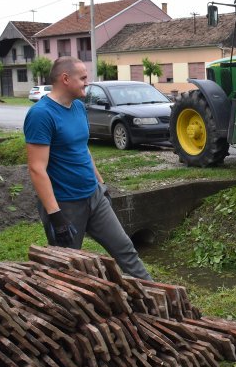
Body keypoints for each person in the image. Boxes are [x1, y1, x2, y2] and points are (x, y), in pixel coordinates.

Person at [24, 56, 152, 280]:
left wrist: (101, 184)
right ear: (65, 79)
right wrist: (56, 217)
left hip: (94, 196)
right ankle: (66, 312)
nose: (87, 82)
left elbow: (83, 149)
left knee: (125, 250)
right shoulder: (41, 114)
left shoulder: (78, 108)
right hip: (65, 205)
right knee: (67, 268)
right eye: (83, 77)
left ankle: (159, 302)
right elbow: (37, 169)